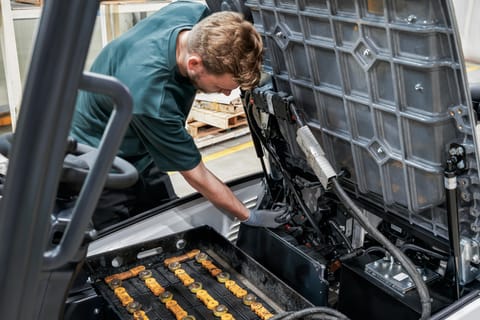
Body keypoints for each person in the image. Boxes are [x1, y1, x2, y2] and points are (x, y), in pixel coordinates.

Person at [70, 0, 284, 229]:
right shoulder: (154, 98)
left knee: (165, 217)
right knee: (122, 238)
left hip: (140, 142)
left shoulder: (192, 13)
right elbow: (197, 175)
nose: (226, 94)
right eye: (221, 87)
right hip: (100, 156)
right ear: (194, 64)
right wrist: (249, 217)